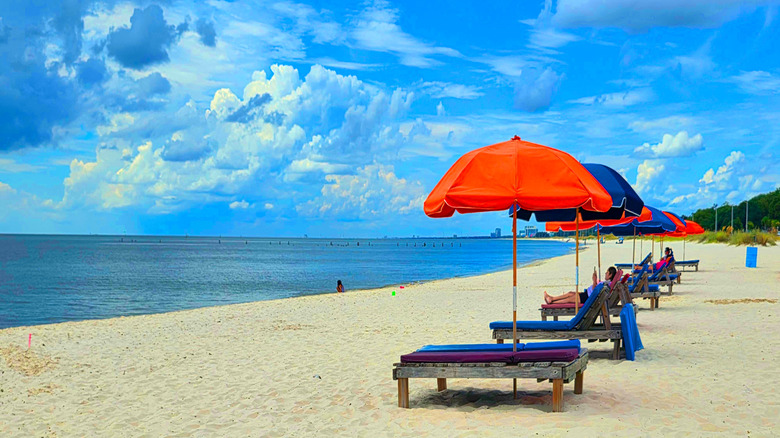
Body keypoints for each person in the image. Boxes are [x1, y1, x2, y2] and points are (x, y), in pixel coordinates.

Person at [544, 266, 617, 305]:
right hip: (587, 294)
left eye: (607, 273)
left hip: (588, 297)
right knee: (570, 293)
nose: (605, 273)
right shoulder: (607, 283)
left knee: (569, 299)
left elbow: (595, 291)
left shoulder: (607, 284)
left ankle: (552, 302)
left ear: (610, 275)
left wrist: (594, 280)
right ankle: (552, 298)